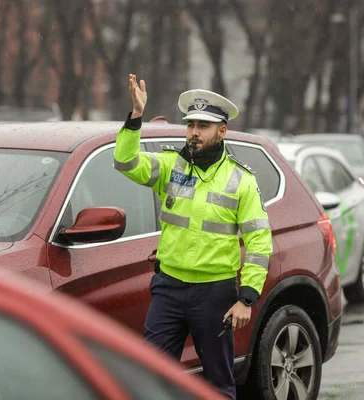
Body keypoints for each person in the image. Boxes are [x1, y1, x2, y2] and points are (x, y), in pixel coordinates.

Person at [113, 74, 273, 399]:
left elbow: (259, 242)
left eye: (203, 126)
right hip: (169, 290)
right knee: (151, 378)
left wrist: (246, 298)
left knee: (217, 385)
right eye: (190, 125)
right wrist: (135, 118)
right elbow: (125, 162)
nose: (194, 133)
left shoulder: (240, 181)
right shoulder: (172, 166)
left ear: (221, 131)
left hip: (214, 295)